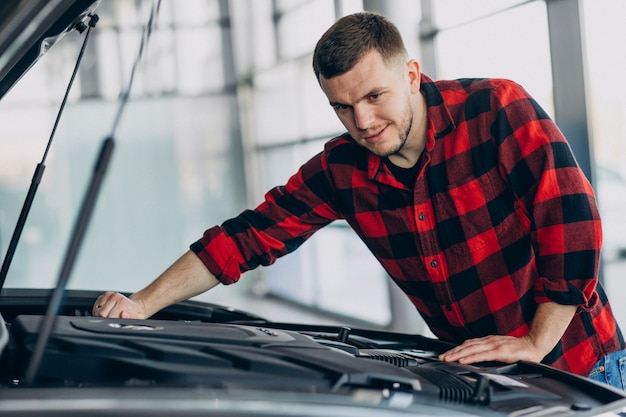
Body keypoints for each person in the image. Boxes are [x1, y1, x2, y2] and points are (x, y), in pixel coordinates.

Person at [93, 12, 626, 388]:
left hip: (579, 367)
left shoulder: (496, 109)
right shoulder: (341, 169)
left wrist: (535, 342)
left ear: (411, 74)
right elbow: (246, 237)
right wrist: (142, 303)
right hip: (486, 376)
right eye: (342, 107)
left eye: (375, 97)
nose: (362, 123)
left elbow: (572, 222)